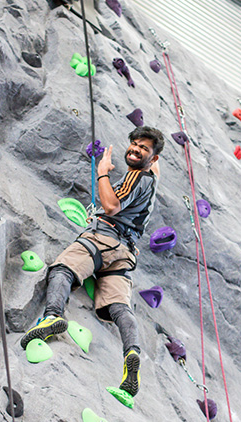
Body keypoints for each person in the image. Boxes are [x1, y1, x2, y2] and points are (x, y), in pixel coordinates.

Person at [20, 126, 165, 398]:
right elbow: (155, 169)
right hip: (126, 253)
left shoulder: (137, 176)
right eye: (133, 143)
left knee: (64, 269)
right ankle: (131, 354)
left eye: (144, 148)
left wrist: (102, 171)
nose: (135, 149)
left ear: (153, 158)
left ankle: (53, 317)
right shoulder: (153, 178)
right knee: (120, 306)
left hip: (104, 238)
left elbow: (111, 206)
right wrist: (152, 152)